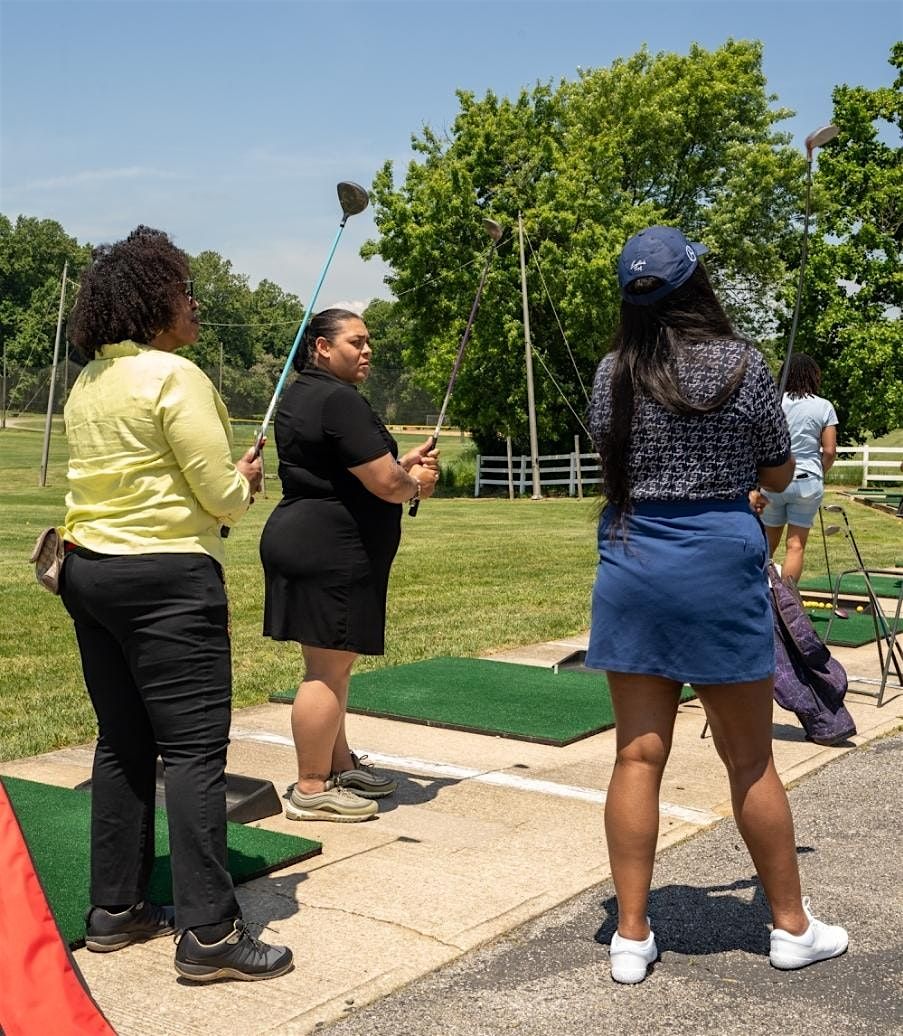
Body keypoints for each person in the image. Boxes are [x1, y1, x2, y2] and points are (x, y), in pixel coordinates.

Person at [586, 225, 848, 984]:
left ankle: (630, 935)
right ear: (696, 285)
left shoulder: (614, 371)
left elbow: (612, 460)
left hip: (633, 563)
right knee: (748, 759)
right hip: (716, 566)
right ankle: (790, 928)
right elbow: (774, 472)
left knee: (636, 754)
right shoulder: (743, 362)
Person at [61, 226, 292, 982]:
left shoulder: (88, 382)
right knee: (193, 752)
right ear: (152, 305)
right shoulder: (175, 375)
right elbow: (219, 496)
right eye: (184, 292)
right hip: (166, 581)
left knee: (123, 742)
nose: (194, 304)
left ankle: (116, 911)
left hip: (88, 574)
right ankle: (210, 934)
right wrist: (245, 482)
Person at [260, 308, 438, 822]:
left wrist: (398, 468)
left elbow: (353, 471)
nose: (367, 351)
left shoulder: (304, 393)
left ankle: (336, 764)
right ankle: (313, 787)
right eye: (356, 342)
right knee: (324, 669)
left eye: (369, 343)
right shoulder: (338, 399)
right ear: (321, 347)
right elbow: (384, 485)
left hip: (312, 538)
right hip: (329, 548)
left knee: (333, 663)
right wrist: (415, 484)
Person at [755, 353, 838, 583]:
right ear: (812, 377)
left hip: (774, 478)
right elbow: (829, 450)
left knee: (767, 544)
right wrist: (820, 472)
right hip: (808, 480)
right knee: (796, 545)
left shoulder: (774, 402)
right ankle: (788, 602)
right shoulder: (824, 406)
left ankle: (762, 597)